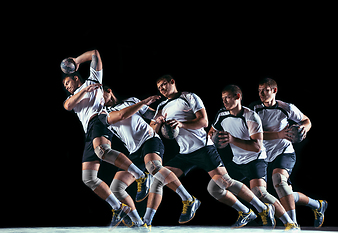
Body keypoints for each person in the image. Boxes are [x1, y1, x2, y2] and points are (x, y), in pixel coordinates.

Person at [150, 75, 275, 228]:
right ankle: (155, 218)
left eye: (164, 84)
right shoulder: (162, 106)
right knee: (158, 177)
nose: (162, 89)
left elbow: (203, 121)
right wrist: (159, 122)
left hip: (203, 148)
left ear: (172, 82)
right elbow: (152, 130)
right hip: (184, 152)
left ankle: (263, 208)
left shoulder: (189, 97)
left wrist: (181, 124)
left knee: (225, 182)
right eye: (159, 87)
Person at [62, 49, 159, 227]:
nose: (67, 87)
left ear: (76, 78)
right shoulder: (73, 96)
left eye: (68, 82)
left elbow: (95, 53)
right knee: (88, 178)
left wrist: (76, 60)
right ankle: (118, 208)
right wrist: (84, 92)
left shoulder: (93, 80)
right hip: (88, 132)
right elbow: (68, 106)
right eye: (65, 86)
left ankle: (140, 176)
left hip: (99, 120)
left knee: (102, 151)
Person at [102, 86, 194, 230]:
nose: (98, 99)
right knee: (116, 188)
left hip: (149, 140)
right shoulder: (103, 113)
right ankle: (139, 222)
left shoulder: (131, 101)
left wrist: (163, 118)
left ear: (108, 91)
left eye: (99, 95)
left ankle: (188, 199)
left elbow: (154, 116)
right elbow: (121, 115)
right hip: (134, 151)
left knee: (154, 167)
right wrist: (144, 102)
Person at [209, 84, 299, 231]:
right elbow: (211, 132)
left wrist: (232, 140)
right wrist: (214, 139)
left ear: (238, 97)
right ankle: (248, 212)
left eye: (227, 98)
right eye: (222, 98)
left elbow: (257, 146)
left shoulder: (251, 116)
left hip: (256, 160)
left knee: (260, 192)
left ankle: (290, 223)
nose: (224, 101)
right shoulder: (222, 114)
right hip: (237, 161)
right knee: (214, 188)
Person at [249, 78, 327, 228]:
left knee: (279, 180)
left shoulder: (286, 108)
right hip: (262, 155)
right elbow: (253, 134)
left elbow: (306, 120)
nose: (261, 93)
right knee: (271, 193)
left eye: (265, 90)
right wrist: (278, 134)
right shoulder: (254, 108)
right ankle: (318, 205)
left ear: (274, 90)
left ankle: (293, 225)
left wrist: (304, 127)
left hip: (283, 151)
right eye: (259, 90)